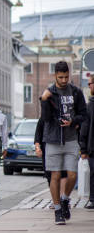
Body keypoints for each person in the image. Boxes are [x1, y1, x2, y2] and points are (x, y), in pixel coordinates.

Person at [40, 61, 88, 224]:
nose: (64, 80)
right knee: (55, 175)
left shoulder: (76, 92)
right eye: (60, 77)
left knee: (73, 175)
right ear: (55, 76)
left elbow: (84, 115)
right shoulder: (49, 92)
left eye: (66, 77)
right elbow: (45, 118)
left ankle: (65, 199)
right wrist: (44, 100)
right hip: (53, 140)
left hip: (70, 139)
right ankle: (58, 210)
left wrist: (73, 121)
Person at [78, 74, 94, 209]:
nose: (89, 86)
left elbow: (84, 129)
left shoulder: (89, 106)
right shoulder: (89, 105)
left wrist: (83, 148)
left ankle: (93, 199)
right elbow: (84, 128)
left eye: (90, 84)